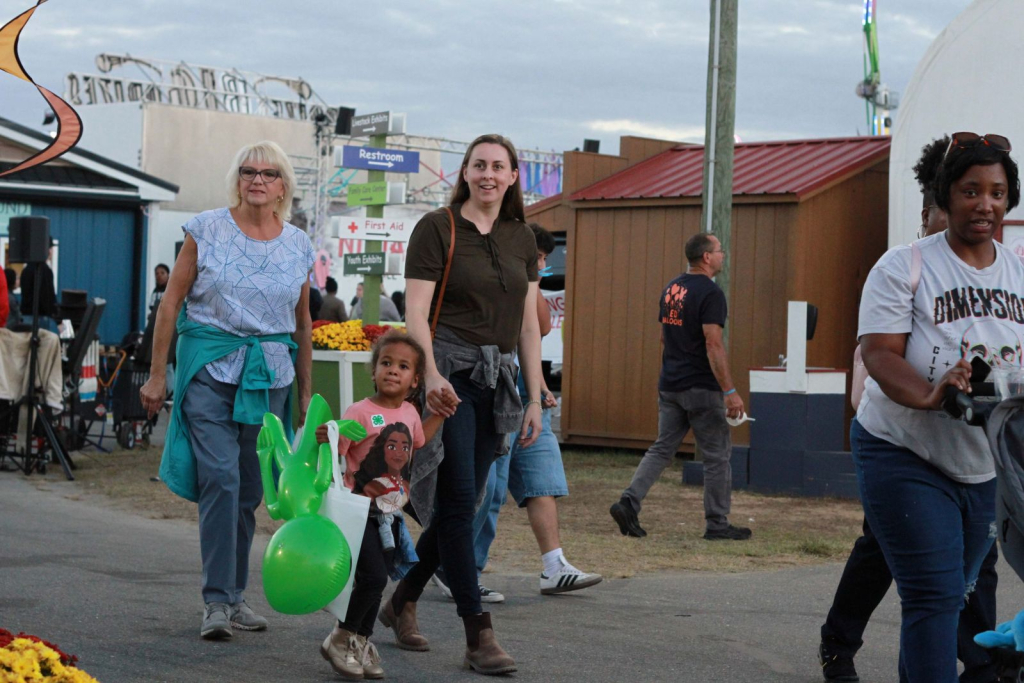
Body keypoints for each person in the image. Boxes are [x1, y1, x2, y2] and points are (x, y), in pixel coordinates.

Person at [819, 136, 1001, 683]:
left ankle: (985, 665)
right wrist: (930, 392)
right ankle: (839, 645)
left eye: (996, 192)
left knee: (963, 585)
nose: (983, 204)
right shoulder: (902, 268)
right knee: (934, 592)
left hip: (981, 459)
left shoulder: (1013, 272)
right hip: (903, 451)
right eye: (969, 191)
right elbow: (876, 359)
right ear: (942, 200)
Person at [379, 133, 543, 675]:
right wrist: (429, 376)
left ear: (514, 175)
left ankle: (403, 599)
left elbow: (527, 324)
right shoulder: (438, 227)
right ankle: (479, 635)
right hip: (448, 376)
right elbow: (417, 313)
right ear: (465, 172)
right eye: (479, 166)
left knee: (462, 506)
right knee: (460, 498)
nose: (488, 175)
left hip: (497, 381)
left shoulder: (523, 237)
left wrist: (536, 393)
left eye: (499, 166)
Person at [139, 140, 314, 641]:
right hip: (210, 369)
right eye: (248, 171)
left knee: (251, 489)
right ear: (237, 179)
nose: (257, 179)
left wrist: (305, 395)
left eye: (269, 172)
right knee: (221, 477)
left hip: (270, 378)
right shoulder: (207, 228)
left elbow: (301, 323)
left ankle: (236, 598)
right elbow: (170, 304)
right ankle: (216, 601)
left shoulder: (299, 244)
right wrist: (157, 375)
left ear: (284, 185)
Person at [435, 223, 600, 602]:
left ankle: (554, 564)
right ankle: (457, 567)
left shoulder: (528, 279)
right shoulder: (489, 273)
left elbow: (538, 328)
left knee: (543, 473)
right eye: (537, 258)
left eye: (542, 258)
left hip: (525, 386)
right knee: (486, 486)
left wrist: (538, 388)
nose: (541, 264)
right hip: (491, 382)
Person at [315, 330, 442, 680]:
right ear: (373, 371)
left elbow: (419, 439)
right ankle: (340, 637)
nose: (392, 370)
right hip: (360, 512)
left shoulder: (412, 412)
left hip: (391, 515)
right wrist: (326, 435)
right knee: (370, 577)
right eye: (386, 363)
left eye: (403, 366)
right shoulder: (359, 411)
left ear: (415, 379)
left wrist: (441, 415)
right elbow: (333, 453)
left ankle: (360, 641)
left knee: (380, 580)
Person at [610, 232, 750, 541]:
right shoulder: (711, 293)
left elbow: (664, 337)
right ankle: (717, 524)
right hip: (701, 386)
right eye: (719, 251)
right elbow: (713, 344)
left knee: (662, 448)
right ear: (706, 257)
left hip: (670, 384)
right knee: (716, 456)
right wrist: (729, 391)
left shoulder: (672, 288)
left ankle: (628, 502)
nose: (723, 255)